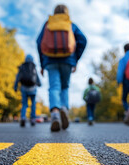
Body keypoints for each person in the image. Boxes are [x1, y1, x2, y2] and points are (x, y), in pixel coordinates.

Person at [36, 4, 87, 132]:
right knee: (65, 86)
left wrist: (42, 63)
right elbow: (83, 40)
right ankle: (64, 108)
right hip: (67, 60)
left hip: (50, 60)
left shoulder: (48, 23)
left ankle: (54, 113)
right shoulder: (70, 24)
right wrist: (76, 59)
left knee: (54, 86)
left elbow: (38, 42)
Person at [14, 54, 41, 127]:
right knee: (33, 104)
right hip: (33, 88)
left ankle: (23, 117)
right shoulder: (34, 67)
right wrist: (39, 83)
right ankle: (32, 119)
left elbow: (18, 77)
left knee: (24, 104)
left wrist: (15, 86)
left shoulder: (22, 66)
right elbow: (37, 78)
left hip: (24, 88)